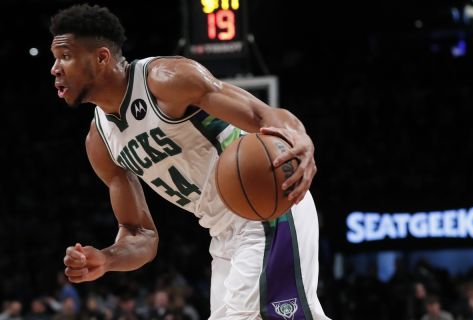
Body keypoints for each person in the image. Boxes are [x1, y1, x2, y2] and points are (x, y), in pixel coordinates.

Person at [49, 4, 329, 320]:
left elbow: (262, 115)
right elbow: (140, 234)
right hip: (223, 235)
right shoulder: (100, 142)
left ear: (101, 58)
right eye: (55, 58)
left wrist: (298, 136)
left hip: (269, 208)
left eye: (66, 56)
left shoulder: (166, 79)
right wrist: (107, 258)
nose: (55, 68)